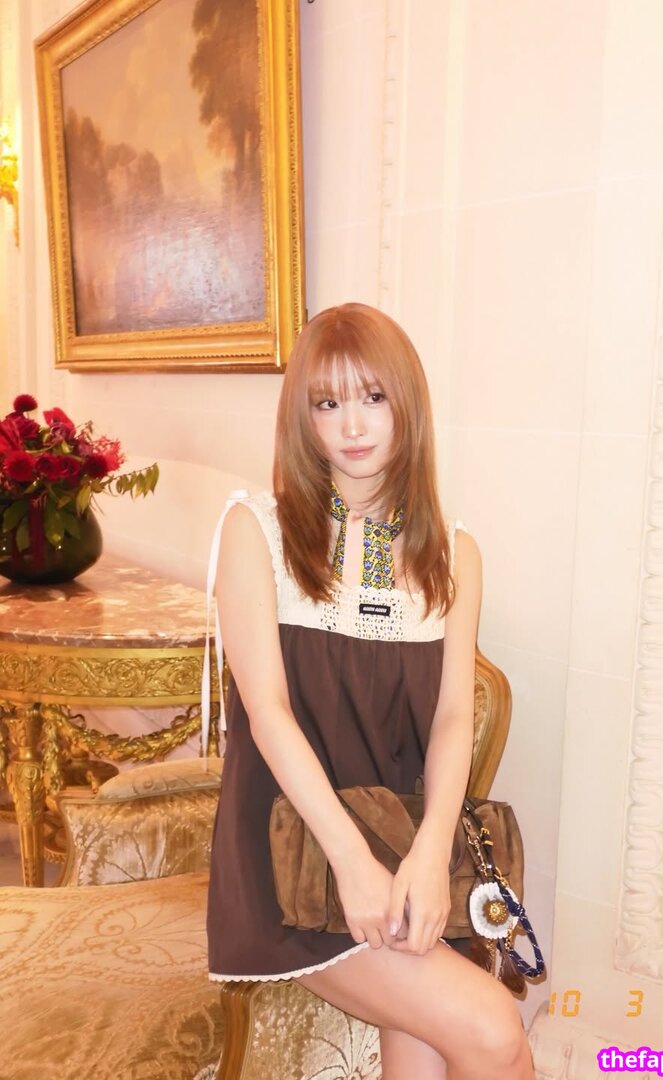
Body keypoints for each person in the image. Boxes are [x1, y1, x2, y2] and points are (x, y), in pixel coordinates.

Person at [206, 303, 534, 1078]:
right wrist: (352, 861)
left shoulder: (452, 552)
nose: (352, 425)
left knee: (427, 1056)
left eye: (373, 397)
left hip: (404, 846)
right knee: (493, 1028)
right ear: (303, 417)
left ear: (406, 404)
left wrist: (429, 855)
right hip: (291, 859)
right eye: (327, 402)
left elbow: (451, 717)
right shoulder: (258, 530)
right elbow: (268, 714)